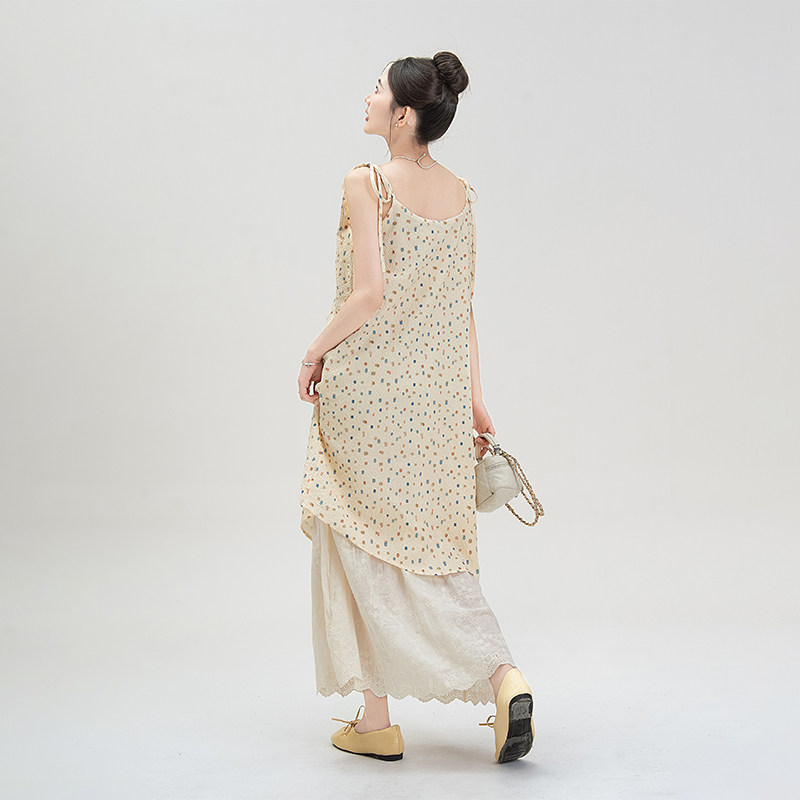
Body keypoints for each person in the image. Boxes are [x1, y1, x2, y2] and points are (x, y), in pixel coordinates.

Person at [297, 52, 534, 764]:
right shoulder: (463, 193)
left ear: (403, 114)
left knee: (355, 538)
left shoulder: (365, 181)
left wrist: (313, 352)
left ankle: (377, 720)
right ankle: (502, 677)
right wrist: (475, 399)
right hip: (435, 402)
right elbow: (462, 306)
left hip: (366, 392)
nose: (368, 97)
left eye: (377, 89)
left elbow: (367, 293)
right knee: (434, 546)